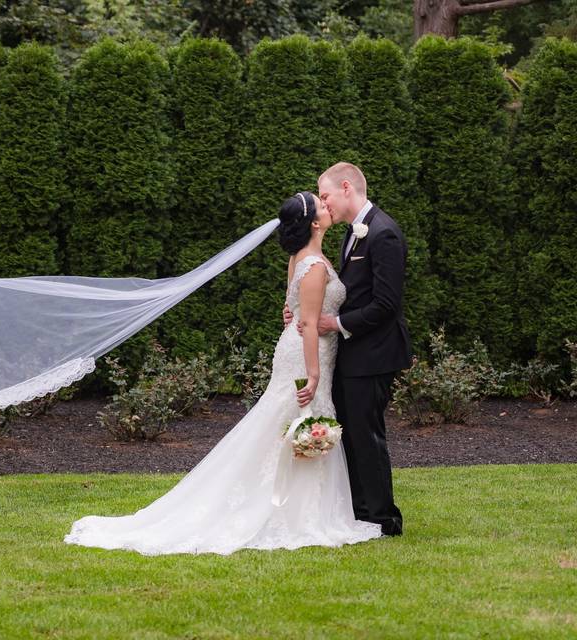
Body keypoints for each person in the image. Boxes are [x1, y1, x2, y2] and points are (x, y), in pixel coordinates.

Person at [64, 191, 383, 555]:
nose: (329, 207)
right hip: (308, 355)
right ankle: (294, 515)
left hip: (304, 348)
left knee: (285, 425)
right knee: (296, 418)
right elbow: (308, 322)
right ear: (313, 222)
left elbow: (292, 307)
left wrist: (293, 317)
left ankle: (303, 507)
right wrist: (312, 375)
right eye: (322, 205)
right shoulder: (312, 265)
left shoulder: (301, 259)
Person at [285, 162, 410, 536]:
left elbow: (386, 304)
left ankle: (384, 519)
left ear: (345, 188)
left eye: (324, 196)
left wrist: (334, 324)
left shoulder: (383, 233)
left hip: (374, 355)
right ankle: (361, 511)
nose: (324, 204)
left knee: (366, 435)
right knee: (353, 434)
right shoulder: (351, 235)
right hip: (352, 355)